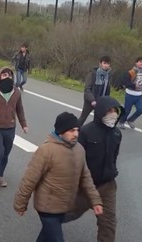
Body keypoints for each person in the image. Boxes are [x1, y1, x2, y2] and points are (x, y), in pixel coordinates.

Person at [14, 112, 103, 242]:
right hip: (47, 207)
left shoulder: (79, 149)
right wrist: (20, 204)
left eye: (77, 130)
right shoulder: (47, 150)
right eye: (71, 130)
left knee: (46, 236)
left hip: (65, 205)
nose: (76, 134)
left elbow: (86, 178)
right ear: (61, 131)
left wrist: (95, 200)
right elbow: (29, 179)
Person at [64, 96, 124, 242]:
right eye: (109, 110)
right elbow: (75, 159)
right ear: (100, 112)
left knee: (108, 223)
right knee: (67, 214)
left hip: (107, 186)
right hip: (86, 186)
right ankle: (49, 226)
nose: (112, 114)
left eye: (115, 111)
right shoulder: (85, 132)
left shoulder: (117, 133)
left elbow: (114, 157)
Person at [0, 67, 28, 189]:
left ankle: (1, 175)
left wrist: (24, 124)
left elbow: (20, 109)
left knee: (5, 154)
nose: (7, 77)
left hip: (10, 127)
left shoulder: (16, 92)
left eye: (9, 75)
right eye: (4, 75)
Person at [78, 56, 112, 126]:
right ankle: (74, 131)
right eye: (104, 63)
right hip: (91, 101)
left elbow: (107, 90)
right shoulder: (92, 74)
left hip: (101, 102)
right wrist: (92, 100)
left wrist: (107, 101)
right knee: (82, 118)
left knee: (99, 121)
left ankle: (93, 135)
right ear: (100, 63)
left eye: (107, 63)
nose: (106, 65)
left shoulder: (108, 75)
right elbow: (87, 89)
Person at [118, 57, 142, 129]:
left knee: (140, 110)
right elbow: (125, 82)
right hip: (130, 94)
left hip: (139, 95)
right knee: (127, 111)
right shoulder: (132, 72)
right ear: (136, 63)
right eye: (140, 62)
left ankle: (130, 120)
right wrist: (134, 86)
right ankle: (121, 122)